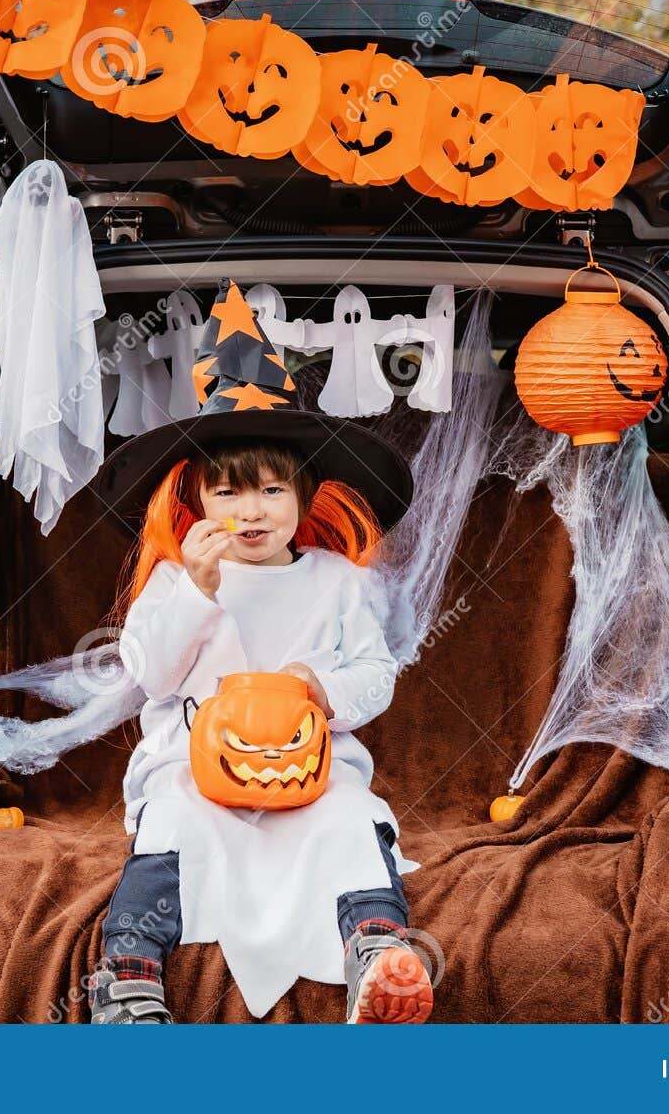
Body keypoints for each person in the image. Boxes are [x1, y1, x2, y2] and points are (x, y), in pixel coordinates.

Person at [85, 279, 429, 1023]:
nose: (252, 511)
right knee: (170, 826)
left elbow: (379, 675)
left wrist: (322, 685)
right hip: (195, 768)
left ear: (305, 499)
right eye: (229, 496)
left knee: (350, 819)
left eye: (272, 491)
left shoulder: (337, 582)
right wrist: (197, 592)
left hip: (310, 769)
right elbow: (149, 672)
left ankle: (377, 948)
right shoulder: (181, 578)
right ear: (196, 504)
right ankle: (128, 973)